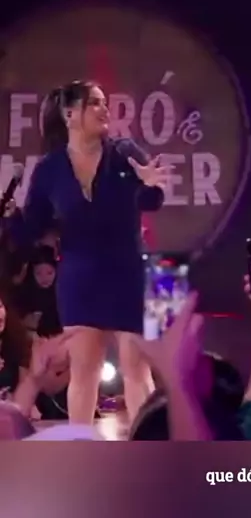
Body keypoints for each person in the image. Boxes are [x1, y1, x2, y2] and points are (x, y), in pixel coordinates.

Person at [4, 80, 170, 424]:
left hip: (128, 274)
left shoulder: (124, 152)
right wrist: (10, 217)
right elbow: (32, 227)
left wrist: (149, 184)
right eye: (94, 103)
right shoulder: (50, 169)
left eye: (104, 102)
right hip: (80, 279)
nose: (104, 109)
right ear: (70, 114)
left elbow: (152, 200)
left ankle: (149, 446)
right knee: (84, 372)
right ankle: (81, 448)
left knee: (136, 370)